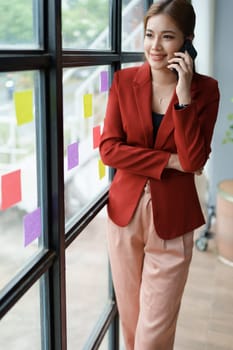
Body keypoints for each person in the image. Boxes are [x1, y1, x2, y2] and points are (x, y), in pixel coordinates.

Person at [99, 0, 220, 349]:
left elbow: (195, 158)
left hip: (173, 220)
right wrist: (167, 162)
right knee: (134, 326)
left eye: (167, 37)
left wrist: (183, 96)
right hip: (124, 217)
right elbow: (109, 150)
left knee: (153, 335)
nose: (154, 46)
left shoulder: (205, 90)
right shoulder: (123, 81)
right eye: (150, 34)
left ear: (187, 40)